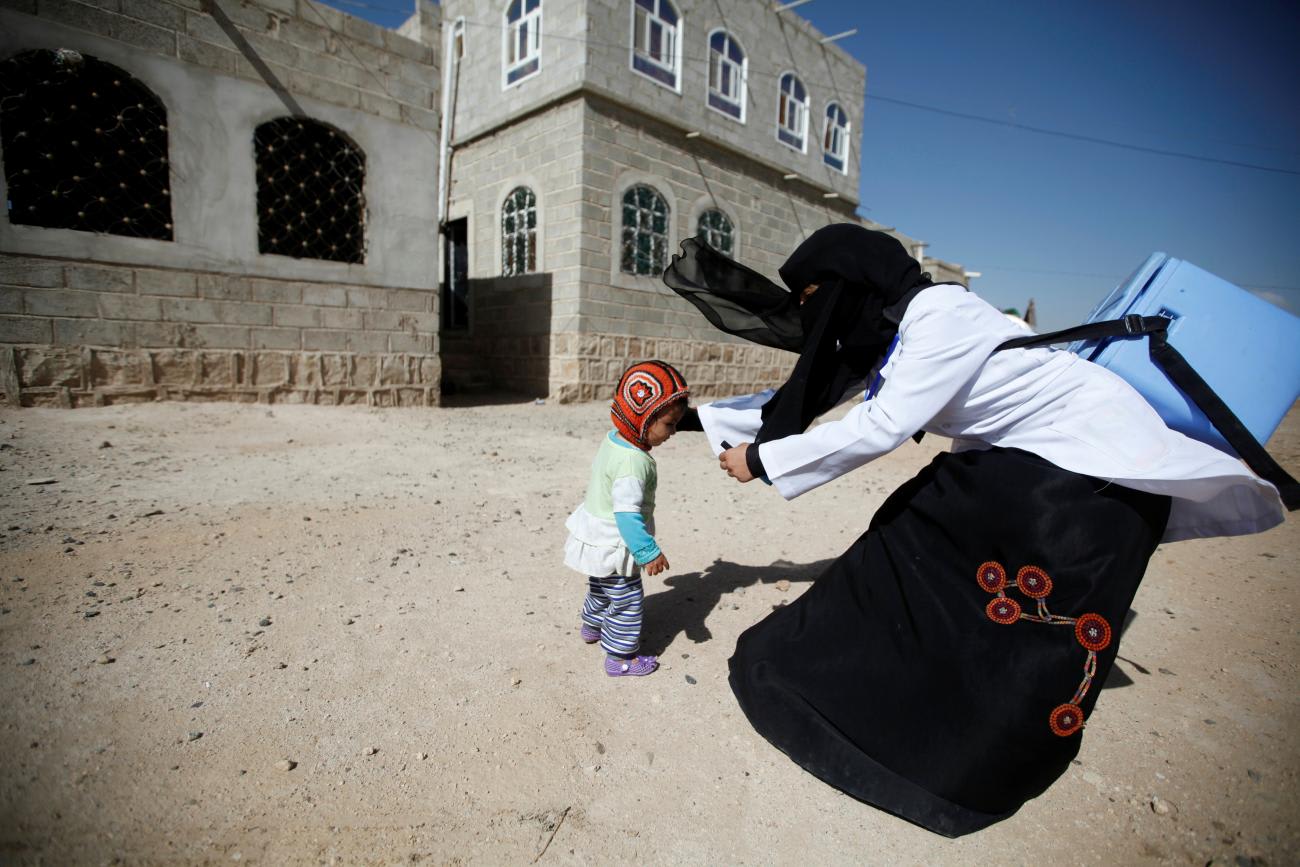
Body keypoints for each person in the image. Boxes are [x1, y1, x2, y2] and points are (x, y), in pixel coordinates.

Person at [663, 224, 1286, 836]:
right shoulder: (901, 332)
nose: (814, 318)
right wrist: (689, 423)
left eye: (813, 300)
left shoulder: (941, 318)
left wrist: (763, 462)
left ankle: (953, 771)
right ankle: (846, 693)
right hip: (1032, 463)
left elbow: (877, 427)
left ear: (848, 282)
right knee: (916, 547)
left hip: (1092, 470)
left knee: (980, 597)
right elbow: (811, 395)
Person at [563, 360, 690, 678]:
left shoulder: (614, 439)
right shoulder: (634, 464)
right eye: (669, 425)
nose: (673, 433)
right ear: (643, 418)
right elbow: (627, 515)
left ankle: (591, 627)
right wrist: (648, 552)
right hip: (616, 544)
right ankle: (620, 658)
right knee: (629, 600)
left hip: (595, 536)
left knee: (600, 588)